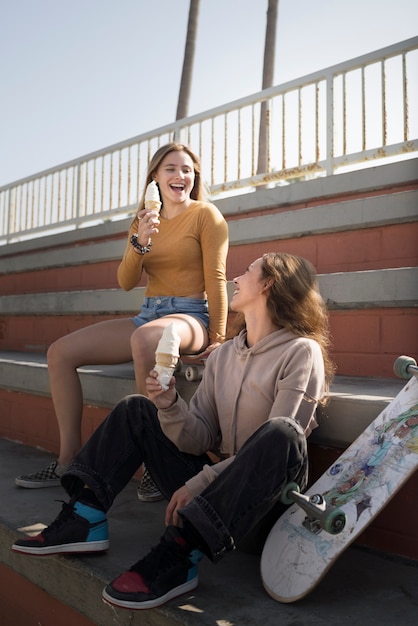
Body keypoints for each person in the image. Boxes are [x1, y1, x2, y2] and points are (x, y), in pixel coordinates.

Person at [12, 252, 335, 611]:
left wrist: (200, 482)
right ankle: (85, 518)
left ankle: (178, 555)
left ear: (269, 283)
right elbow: (197, 439)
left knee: (282, 432)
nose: (236, 278)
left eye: (248, 271)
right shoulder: (225, 355)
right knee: (138, 408)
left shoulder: (301, 353)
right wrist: (169, 405)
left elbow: (282, 443)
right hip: (213, 500)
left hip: (264, 508)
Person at [15, 143, 229, 497]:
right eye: (171, 169)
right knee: (59, 353)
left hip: (191, 316)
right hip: (149, 312)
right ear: (155, 178)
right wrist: (140, 241)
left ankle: (154, 462)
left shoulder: (206, 215)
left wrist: (218, 337)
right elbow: (126, 281)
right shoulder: (143, 221)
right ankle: (68, 460)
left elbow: (217, 279)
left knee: (145, 339)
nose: (180, 176)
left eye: (187, 169)